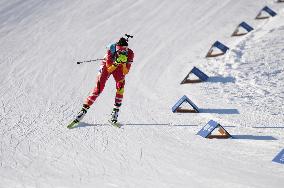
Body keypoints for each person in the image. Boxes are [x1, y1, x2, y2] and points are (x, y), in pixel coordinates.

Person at [74, 37, 134, 125]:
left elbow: (126, 72)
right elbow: (109, 69)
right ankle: (83, 110)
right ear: (117, 49)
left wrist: (124, 64)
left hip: (119, 68)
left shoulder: (130, 53)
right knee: (98, 88)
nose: (122, 53)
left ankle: (115, 112)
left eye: (124, 51)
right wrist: (117, 62)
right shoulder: (111, 50)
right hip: (107, 66)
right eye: (120, 51)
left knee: (120, 86)